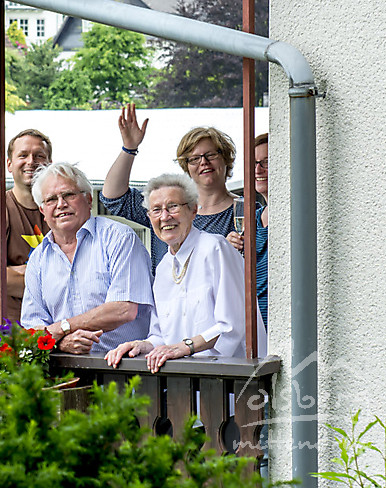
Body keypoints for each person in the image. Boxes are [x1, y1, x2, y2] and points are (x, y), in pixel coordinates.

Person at [105, 174, 266, 372]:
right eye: (156, 210)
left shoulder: (216, 249)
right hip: (184, 381)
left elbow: (233, 325)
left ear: (193, 210)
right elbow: (161, 335)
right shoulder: (163, 268)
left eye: (173, 206)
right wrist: (140, 345)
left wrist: (186, 346)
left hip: (232, 378)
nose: (165, 217)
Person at [20, 162, 155, 354]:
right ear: (43, 211)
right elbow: (32, 329)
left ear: (89, 199)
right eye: (51, 199)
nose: (61, 204)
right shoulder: (38, 259)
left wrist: (62, 328)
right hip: (64, 366)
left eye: (69, 195)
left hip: (126, 365)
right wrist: (61, 343)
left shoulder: (119, 238)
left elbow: (124, 309)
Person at [100, 104, 238, 269]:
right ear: (186, 166)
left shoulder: (244, 212)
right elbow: (113, 198)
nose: (204, 162)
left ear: (226, 158)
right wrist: (129, 148)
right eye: (194, 159)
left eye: (211, 155)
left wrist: (231, 252)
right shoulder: (166, 207)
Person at [0, 129, 52, 324]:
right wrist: (52, 279)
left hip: (52, 329)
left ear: (49, 164)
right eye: (23, 155)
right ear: (9, 164)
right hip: (2, 330)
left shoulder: (61, 211)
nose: (31, 161)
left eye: (39, 156)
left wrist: (18, 271)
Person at [226, 133, 268, 328]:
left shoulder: (294, 216)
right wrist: (231, 251)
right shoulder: (252, 219)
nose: (258, 169)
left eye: (266, 162)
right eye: (254, 163)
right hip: (254, 326)